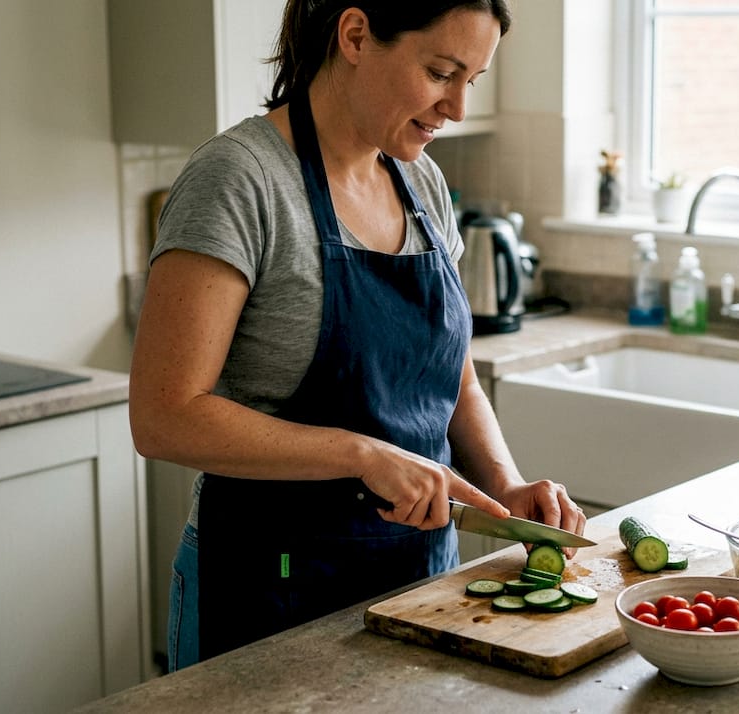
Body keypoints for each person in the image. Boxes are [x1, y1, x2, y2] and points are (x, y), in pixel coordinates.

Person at [129, 0, 587, 672]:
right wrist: (361, 454)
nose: (456, 107)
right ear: (354, 34)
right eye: (440, 72)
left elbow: (451, 377)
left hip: (419, 588)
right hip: (272, 589)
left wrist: (506, 490)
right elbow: (163, 417)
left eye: (472, 81)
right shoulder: (240, 180)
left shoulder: (421, 180)